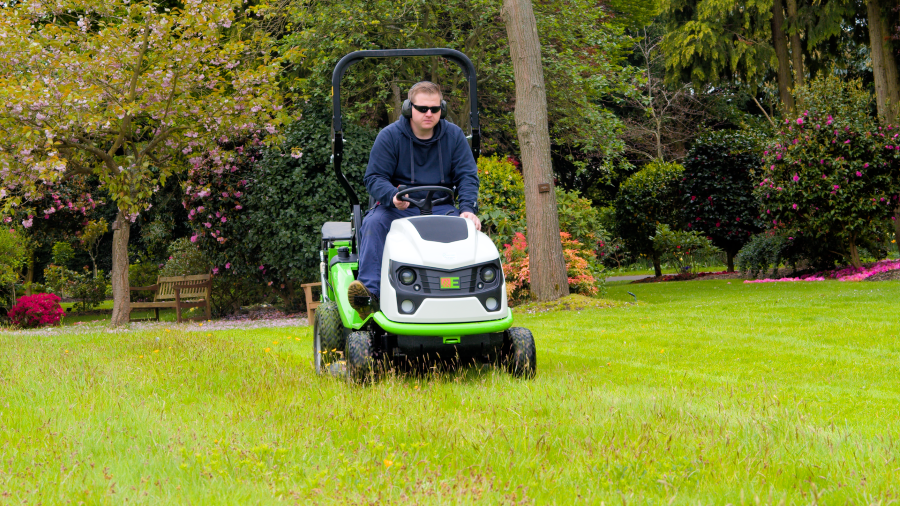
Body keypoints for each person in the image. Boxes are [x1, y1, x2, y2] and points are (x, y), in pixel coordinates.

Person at [347, 81, 481, 317]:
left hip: (441, 208)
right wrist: (392, 196)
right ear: (409, 108)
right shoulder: (390, 136)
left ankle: (466, 295)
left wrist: (468, 209)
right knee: (373, 223)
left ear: (442, 109)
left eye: (435, 109)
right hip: (397, 208)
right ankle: (370, 295)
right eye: (422, 108)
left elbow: (467, 176)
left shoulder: (453, 136)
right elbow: (374, 177)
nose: (429, 113)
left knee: (468, 229)